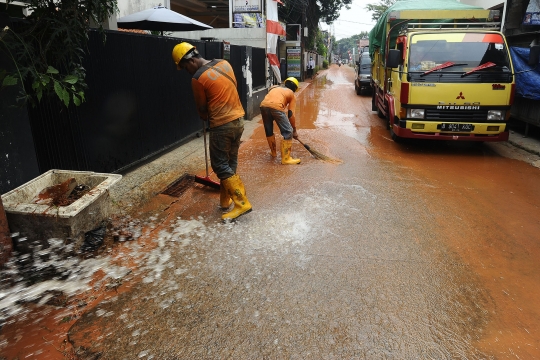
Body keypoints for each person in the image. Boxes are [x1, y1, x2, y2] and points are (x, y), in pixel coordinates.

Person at [172, 42, 252, 221]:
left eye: (185, 67)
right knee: (230, 162)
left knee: (219, 164)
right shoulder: (224, 63)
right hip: (238, 119)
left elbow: (202, 109)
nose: (187, 71)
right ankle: (226, 200)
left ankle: (241, 203)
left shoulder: (198, 78)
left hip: (222, 124)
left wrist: (202, 114)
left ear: (191, 60)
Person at [260, 77, 301, 165]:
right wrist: (294, 131)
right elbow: (291, 114)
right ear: (294, 88)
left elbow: (271, 92)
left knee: (269, 130)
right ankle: (286, 159)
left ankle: (273, 153)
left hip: (263, 105)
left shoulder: (275, 87)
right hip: (277, 107)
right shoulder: (292, 94)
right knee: (288, 131)